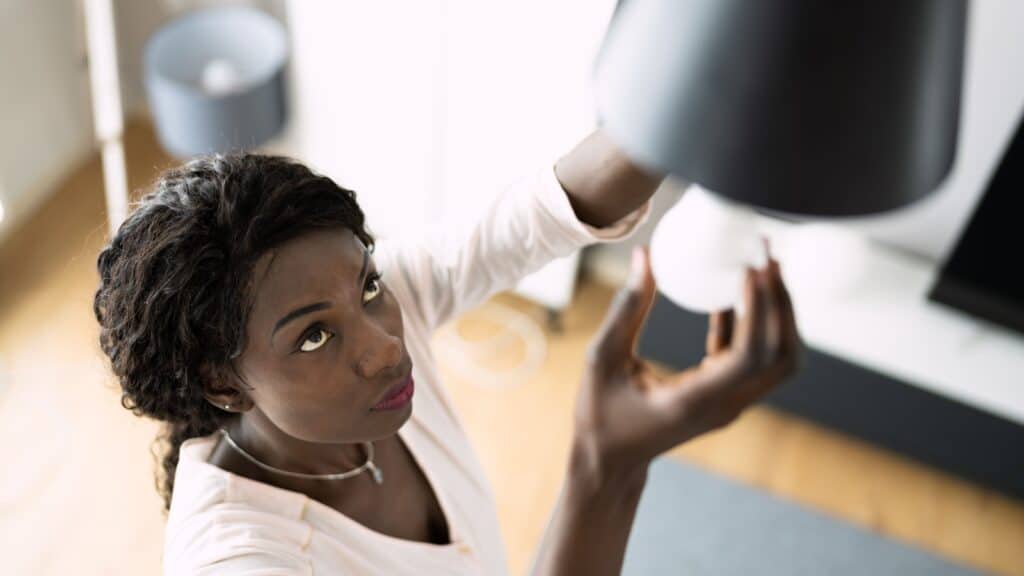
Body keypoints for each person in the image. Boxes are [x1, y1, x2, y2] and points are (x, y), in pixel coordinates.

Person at [93, 130, 799, 575]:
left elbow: (539, 213)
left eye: (368, 285)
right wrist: (605, 467)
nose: (385, 346)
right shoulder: (246, 562)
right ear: (224, 384)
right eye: (314, 336)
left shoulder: (385, 309)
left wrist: (687, 91)